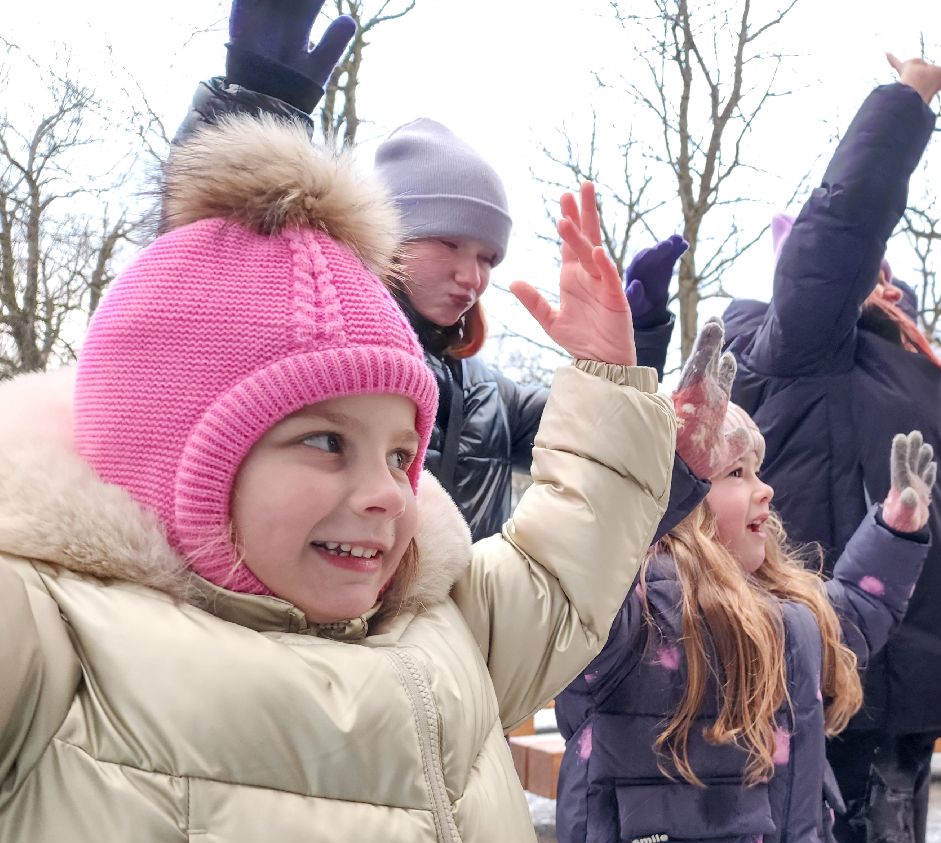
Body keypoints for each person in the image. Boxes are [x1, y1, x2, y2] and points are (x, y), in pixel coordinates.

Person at [0, 116, 674, 843]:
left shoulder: (436, 626)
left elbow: (564, 566)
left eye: (402, 454)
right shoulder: (65, 640)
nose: (384, 492)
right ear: (177, 454)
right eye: (325, 443)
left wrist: (610, 379)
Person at [550, 318, 936, 843]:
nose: (764, 488)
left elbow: (848, 622)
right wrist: (648, 467)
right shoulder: (630, 609)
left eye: (755, 472)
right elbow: (592, 554)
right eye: (730, 473)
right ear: (678, 489)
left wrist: (894, 532)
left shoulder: (778, 613)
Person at [182, 0, 691, 541]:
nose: (472, 276)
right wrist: (254, 102)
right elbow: (213, 287)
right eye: (450, 244)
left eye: (488, 258)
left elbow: (602, 465)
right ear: (388, 234)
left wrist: (630, 349)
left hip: (462, 628)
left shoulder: (494, 397)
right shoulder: (313, 343)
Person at [723, 52, 941, 843]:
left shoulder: (897, 358)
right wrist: (904, 104)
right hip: (839, 675)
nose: (883, 273)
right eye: (863, 260)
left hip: (904, 686)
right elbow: (836, 234)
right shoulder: (797, 343)